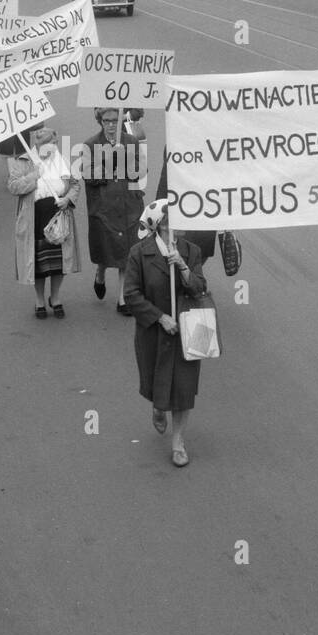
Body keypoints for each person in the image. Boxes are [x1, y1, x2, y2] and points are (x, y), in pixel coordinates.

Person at [123, 199, 208, 468]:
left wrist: (183, 267)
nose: (180, 226)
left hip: (187, 332)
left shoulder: (191, 251)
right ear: (160, 225)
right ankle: (158, 408)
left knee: (183, 390)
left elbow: (199, 288)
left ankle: (178, 442)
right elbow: (131, 295)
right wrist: (160, 318)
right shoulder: (139, 253)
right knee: (156, 384)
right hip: (153, 334)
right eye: (174, 221)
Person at [6, 125, 82, 318]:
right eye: (50, 144)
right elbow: (13, 186)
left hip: (58, 216)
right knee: (38, 264)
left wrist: (68, 199)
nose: (54, 147)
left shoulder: (61, 160)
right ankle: (39, 300)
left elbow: (74, 184)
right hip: (35, 218)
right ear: (39, 145)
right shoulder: (23, 161)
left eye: (55, 143)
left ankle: (55, 298)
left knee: (60, 263)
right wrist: (34, 176)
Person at [76, 108, 146, 316]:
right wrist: (108, 160)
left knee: (127, 251)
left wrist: (124, 160)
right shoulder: (90, 144)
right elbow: (88, 175)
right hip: (104, 207)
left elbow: (142, 170)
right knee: (107, 251)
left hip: (129, 205)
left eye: (115, 120)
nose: (111, 124)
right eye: (106, 120)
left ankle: (123, 299)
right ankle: (100, 273)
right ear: (100, 121)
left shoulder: (131, 142)